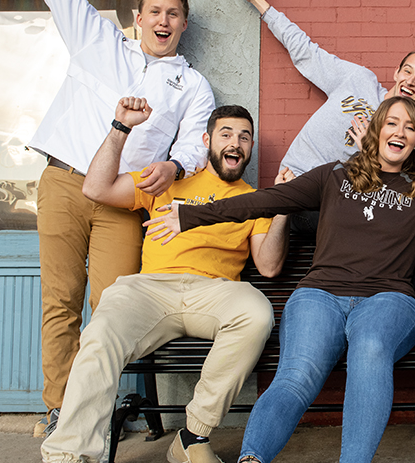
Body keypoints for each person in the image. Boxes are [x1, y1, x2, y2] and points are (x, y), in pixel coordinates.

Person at [144, 97, 415, 463]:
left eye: (411, 127)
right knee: (296, 374)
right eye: (392, 123)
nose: (401, 131)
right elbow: (263, 201)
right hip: (320, 295)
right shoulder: (334, 175)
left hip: (388, 300)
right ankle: (253, 457)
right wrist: (190, 215)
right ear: (375, 131)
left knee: (370, 350)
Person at [40, 99, 289, 463]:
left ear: (250, 148)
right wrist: (120, 128)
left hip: (214, 293)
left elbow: (267, 267)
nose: (236, 143)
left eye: (245, 137)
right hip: (151, 289)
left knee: (256, 313)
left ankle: (192, 436)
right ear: (207, 139)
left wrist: (282, 204)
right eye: (226, 134)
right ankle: (68, 454)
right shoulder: (168, 180)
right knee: (101, 332)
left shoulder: (253, 200)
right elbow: (95, 188)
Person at [27, 0, 215, 437]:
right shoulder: (96, 40)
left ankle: (90, 408)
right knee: (61, 301)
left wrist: (176, 166)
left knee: (111, 308)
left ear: (184, 24)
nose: (164, 20)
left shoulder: (192, 84)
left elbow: (195, 142)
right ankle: (59, 410)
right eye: (156, 10)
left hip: (125, 200)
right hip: (65, 180)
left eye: (174, 14)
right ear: (138, 16)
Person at [223, 0, 415, 233]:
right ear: (396, 72)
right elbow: (306, 52)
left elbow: (401, 193)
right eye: (407, 71)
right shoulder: (358, 80)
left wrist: (371, 152)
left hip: (338, 208)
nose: (410, 80)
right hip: (294, 182)